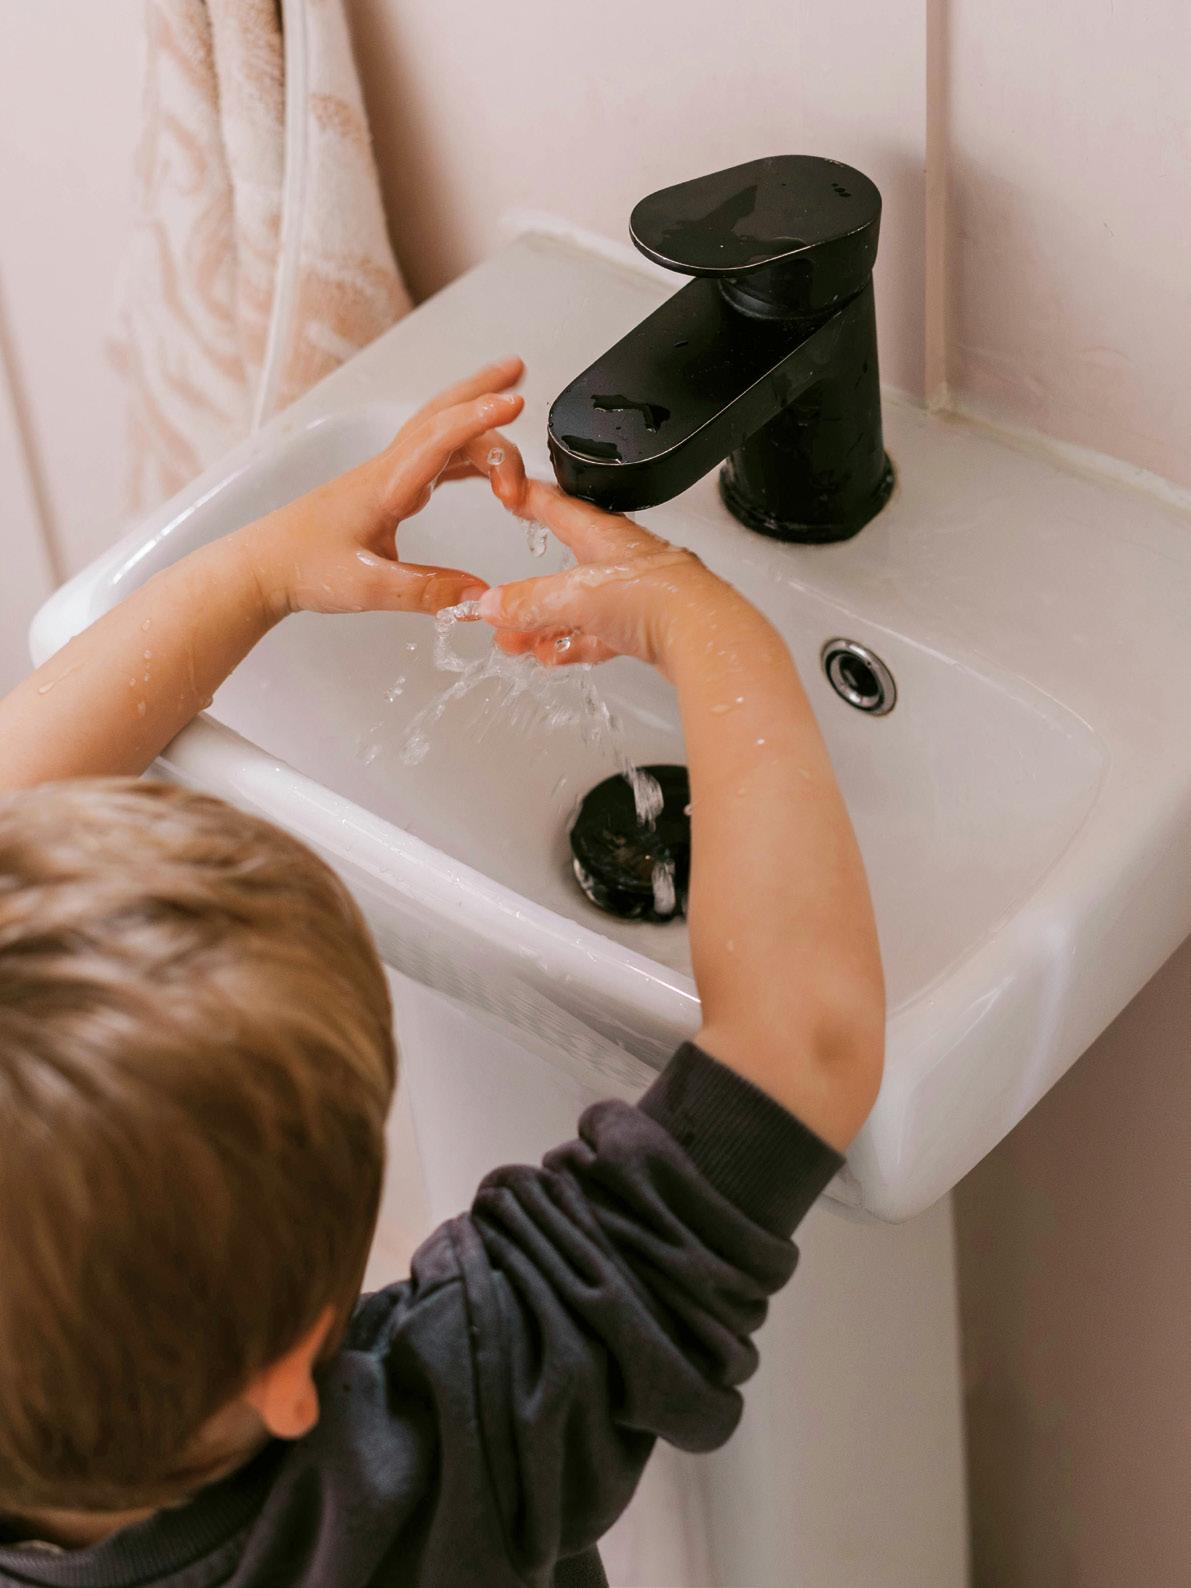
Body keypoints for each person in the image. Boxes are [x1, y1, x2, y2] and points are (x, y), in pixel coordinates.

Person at [0, 357, 884, 1586]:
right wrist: (707, 626)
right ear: (289, 1376)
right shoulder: (431, 1453)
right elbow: (802, 1044)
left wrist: (262, 573)